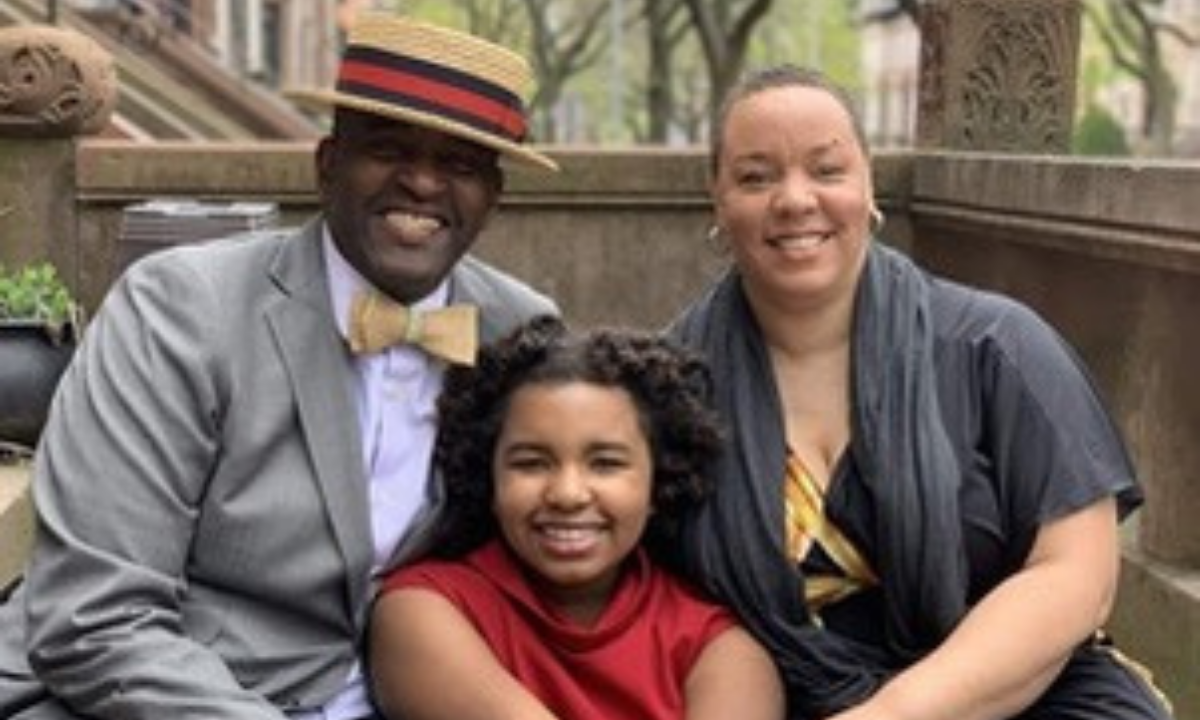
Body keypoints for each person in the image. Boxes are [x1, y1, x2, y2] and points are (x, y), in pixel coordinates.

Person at [0, 14, 559, 720]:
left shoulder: (521, 333)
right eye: (388, 150)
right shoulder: (180, 309)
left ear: (493, 197)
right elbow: (96, 617)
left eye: (459, 164)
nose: (422, 183)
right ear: (326, 166)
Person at [666, 65, 1173, 720]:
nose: (795, 200)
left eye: (826, 170)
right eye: (756, 177)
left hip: (1016, 695)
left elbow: (1077, 578)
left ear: (868, 186)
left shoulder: (996, 348)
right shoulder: (669, 388)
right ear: (717, 201)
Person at [369, 315, 784, 720]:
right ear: (487, 475)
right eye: (531, 463)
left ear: (660, 479)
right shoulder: (423, 611)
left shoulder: (719, 651)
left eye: (604, 464)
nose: (567, 494)